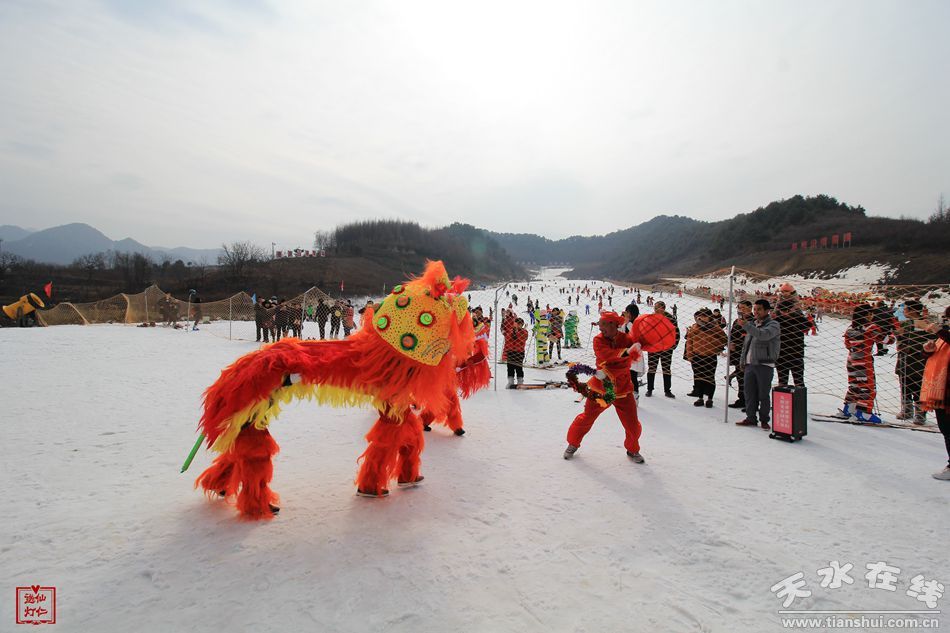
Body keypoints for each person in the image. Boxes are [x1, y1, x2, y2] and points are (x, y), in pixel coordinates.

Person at [563, 311, 645, 463]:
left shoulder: (627, 339)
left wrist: (632, 351)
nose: (601, 329)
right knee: (586, 418)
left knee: (632, 424)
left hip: (623, 389)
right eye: (599, 326)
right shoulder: (598, 340)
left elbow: (627, 363)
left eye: (603, 326)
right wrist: (626, 353)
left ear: (614, 324)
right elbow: (605, 355)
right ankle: (572, 443)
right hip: (600, 389)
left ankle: (633, 449)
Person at [735, 299, 780, 429]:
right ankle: (751, 417)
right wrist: (743, 360)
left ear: (767, 310)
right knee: (749, 393)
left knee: (763, 394)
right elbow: (746, 345)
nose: (756, 312)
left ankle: (764, 419)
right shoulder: (753, 324)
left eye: (759, 309)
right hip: (750, 364)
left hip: (764, 364)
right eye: (755, 309)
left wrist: (747, 326)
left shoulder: (773, 324)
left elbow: (763, 335)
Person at [838, 304, 887, 423]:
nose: (872, 316)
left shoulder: (850, 328)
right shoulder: (871, 327)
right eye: (870, 313)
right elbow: (884, 339)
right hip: (864, 361)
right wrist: (892, 335)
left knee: (854, 385)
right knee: (867, 387)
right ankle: (863, 413)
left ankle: (848, 409)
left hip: (851, 360)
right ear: (866, 315)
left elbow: (847, 344)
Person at [919, 308, 950, 479]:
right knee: (946, 428)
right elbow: (935, 358)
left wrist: (940, 331)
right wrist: (928, 351)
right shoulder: (944, 337)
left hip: (947, 391)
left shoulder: (945, 335)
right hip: (941, 391)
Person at [895, 300, 932, 423]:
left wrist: (911, 347)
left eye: (905, 309)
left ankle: (920, 414)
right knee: (905, 387)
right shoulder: (905, 324)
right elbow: (900, 340)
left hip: (919, 362)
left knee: (918, 388)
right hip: (904, 361)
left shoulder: (925, 324)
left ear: (914, 310)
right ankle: (907, 411)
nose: (903, 311)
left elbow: (930, 342)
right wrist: (898, 337)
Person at [684, 308, 726, 408]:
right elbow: (690, 342)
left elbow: (724, 340)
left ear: (709, 317)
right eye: (700, 316)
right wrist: (690, 355)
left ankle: (710, 399)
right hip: (697, 356)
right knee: (699, 378)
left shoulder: (715, 327)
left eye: (704, 316)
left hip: (710, 357)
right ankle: (700, 397)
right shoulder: (695, 327)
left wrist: (714, 344)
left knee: (710, 378)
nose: (701, 318)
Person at [774, 287, 810, 388]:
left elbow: (807, 325)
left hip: (796, 355)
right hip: (781, 355)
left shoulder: (798, 318)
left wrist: (794, 316)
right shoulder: (777, 320)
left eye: (787, 310)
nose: (784, 312)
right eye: (782, 310)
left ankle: (799, 402)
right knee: (782, 382)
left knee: (799, 382)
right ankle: (780, 402)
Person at [645, 301, 678, 398]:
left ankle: (667, 390)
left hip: (666, 348)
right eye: (654, 307)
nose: (655, 309)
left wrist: (673, 346)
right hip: (654, 348)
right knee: (652, 368)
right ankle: (649, 389)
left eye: (657, 307)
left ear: (663, 308)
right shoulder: (651, 318)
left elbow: (676, 333)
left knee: (666, 369)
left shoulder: (671, 318)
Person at [727, 301, 752, 409]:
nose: (740, 309)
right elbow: (732, 334)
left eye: (743, 307)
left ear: (750, 308)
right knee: (740, 377)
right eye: (739, 307)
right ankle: (741, 399)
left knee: (749, 379)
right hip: (737, 353)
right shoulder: (737, 321)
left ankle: (750, 401)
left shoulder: (753, 321)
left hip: (748, 354)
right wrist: (730, 343)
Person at [502, 314, 529, 388]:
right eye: (517, 323)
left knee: (519, 367)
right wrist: (512, 332)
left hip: (519, 352)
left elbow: (523, 339)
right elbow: (507, 339)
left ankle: (520, 381)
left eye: (520, 324)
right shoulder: (510, 331)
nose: (518, 325)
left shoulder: (524, 332)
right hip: (510, 352)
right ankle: (510, 382)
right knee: (510, 367)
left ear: (522, 325)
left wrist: (516, 332)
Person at [621, 303, 641, 396]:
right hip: (624, 350)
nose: (626, 314)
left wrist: (627, 322)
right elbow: (621, 332)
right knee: (624, 373)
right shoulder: (625, 323)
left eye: (628, 312)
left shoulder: (636, 322)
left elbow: (634, 333)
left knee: (632, 374)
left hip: (633, 352)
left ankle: (635, 395)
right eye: (626, 311)